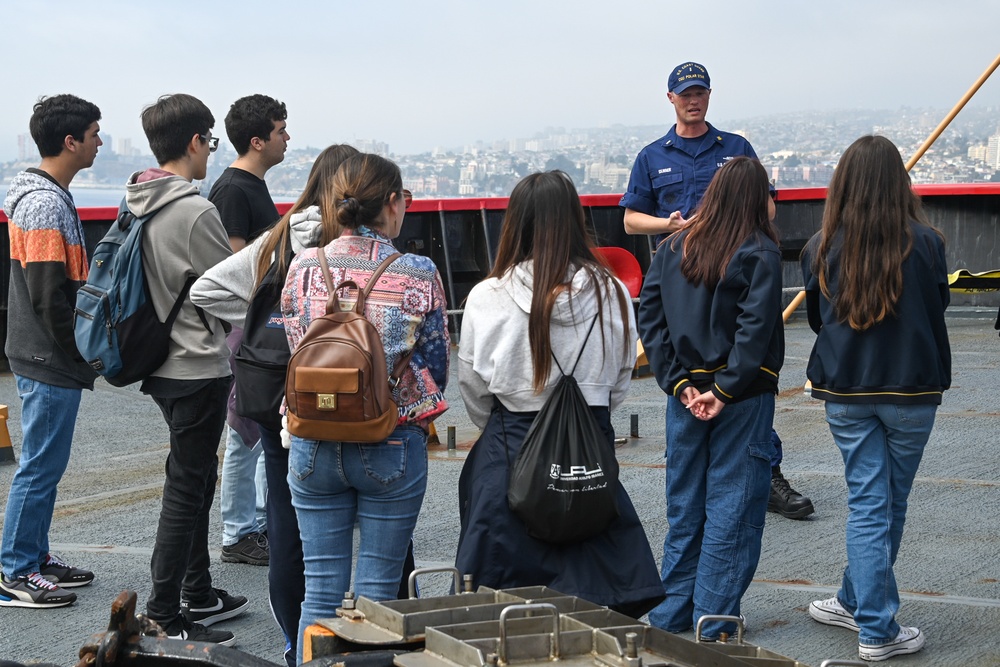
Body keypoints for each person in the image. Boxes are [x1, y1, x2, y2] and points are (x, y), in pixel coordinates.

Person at [456, 170, 664, 619]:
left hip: (511, 447)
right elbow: (621, 377)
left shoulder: (486, 295)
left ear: (515, 224)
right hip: (588, 447)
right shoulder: (611, 292)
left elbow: (472, 385)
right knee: (597, 597)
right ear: (575, 220)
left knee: (497, 602)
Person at [621, 60, 813, 520]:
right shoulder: (652, 155)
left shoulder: (736, 148)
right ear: (670, 98)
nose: (693, 99)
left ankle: (766, 475)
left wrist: (732, 232)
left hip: (734, 275)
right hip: (682, 276)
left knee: (744, 376)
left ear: (710, 95)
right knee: (690, 380)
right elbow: (630, 220)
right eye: (685, 93)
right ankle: (694, 486)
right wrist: (668, 226)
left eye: (700, 92)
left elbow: (764, 207)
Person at [192, 143, 360, 666]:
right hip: (355, 401)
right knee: (377, 522)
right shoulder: (366, 245)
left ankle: (297, 640)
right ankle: (382, 639)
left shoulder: (283, 236)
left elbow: (206, 289)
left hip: (282, 398)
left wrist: (263, 308)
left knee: (288, 525)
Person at [280, 153, 449, 665]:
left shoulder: (305, 264)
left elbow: (295, 344)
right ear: (393, 204)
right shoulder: (416, 270)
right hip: (390, 439)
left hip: (312, 440)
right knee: (377, 593)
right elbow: (437, 365)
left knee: (320, 590)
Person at [801, 135, 949, 662]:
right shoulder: (926, 242)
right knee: (889, 501)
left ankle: (852, 600)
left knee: (870, 501)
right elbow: (939, 305)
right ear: (898, 182)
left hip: (845, 391)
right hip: (913, 390)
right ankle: (877, 630)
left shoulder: (820, 247)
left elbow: (819, 319)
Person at [637, 157, 783, 639]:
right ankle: (714, 616)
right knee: (733, 507)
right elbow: (755, 328)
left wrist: (681, 386)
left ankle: (672, 611)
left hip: (684, 397)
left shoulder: (672, 246)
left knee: (686, 507)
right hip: (741, 398)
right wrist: (724, 390)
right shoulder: (759, 250)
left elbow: (652, 323)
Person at [127, 94, 246, 645]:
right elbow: (230, 291)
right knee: (187, 486)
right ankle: (162, 612)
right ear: (196, 142)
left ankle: (196, 591)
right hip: (197, 363)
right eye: (210, 142)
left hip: (159, 362)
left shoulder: (139, 201)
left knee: (196, 479)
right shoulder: (195, 211)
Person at [0, 95, 102, 609]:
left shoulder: (45, 195)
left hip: (42, 354)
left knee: (46, 464)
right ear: (70, 141)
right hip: (47, 356)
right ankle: (15, 572)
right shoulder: (44, 203)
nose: (99, 142)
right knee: (39, 466)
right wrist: (82, 354)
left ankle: (34, 557)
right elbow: (46, 295)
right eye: (93, 133)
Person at [208, 94, 290, 567]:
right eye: (281, 130)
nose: (287, 137)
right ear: (257, 141)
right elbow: (235, 268)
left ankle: (257, 522)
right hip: (247, 328)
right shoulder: (234, 191)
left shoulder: (249, 186)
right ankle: (238, 532)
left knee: (261, 425)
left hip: (260, 326)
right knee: (243, 430)